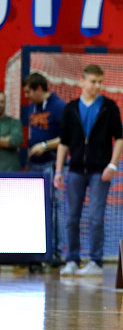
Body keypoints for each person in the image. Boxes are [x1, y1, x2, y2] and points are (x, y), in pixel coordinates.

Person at [54, 65, 123, 277]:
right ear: (82, 81)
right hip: (75, 169)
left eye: (100, 82)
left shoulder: (109, 107)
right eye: (93, 81)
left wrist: (112, 164)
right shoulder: (71, 108)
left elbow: (119, 138)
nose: (97, 86)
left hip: (99, 170)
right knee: (71, 218)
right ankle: (72, 260)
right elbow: (63, 142)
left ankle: (95, 261)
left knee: (95, 217)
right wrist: (59, 171)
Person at [23, 73, 67, 263]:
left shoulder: (58, 107)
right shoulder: (34, 107)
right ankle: (38, 250)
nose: (27, 96)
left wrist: (45, 146)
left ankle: (56, 252)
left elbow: (67, 138)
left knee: (54, 206)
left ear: (39, 89)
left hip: (51, 164)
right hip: (35, 165)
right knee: (36, 209)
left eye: (29, 92)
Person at [0, 91, 23, 172]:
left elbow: (16, 140)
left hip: (10, 171)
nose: (0, 104)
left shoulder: (14, 122)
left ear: (5, 103)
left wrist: (10, 141)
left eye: (2, 102)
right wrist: (5, 141)